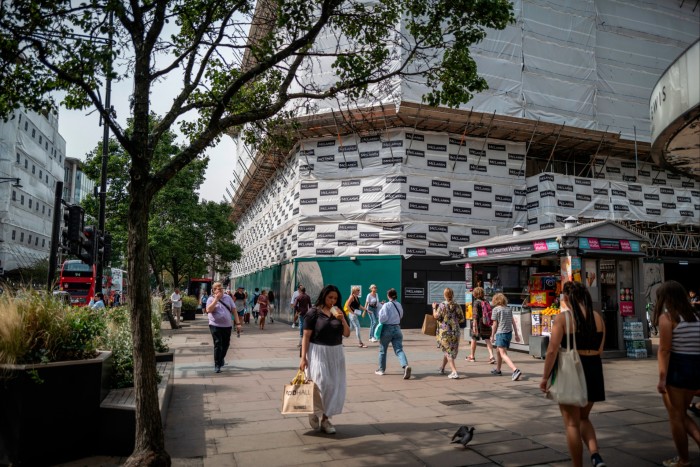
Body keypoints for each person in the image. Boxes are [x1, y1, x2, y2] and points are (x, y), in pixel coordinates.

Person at [539, 281, 607, 467]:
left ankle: (577, 465)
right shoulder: (598, 318)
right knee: (584, 417)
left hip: (573, 371)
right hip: (593, 369)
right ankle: (595, 455)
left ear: (566, 298)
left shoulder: (562, 319)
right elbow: (600, 349)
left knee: (572, 424)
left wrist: (545, 377)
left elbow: (552, 350)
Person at [653, 280, 700, 467]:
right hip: (695, 367)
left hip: (679, 369)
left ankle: (683, 459)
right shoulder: (696, 317)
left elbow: (664, 350)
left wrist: (662, 378)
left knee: (676, 417)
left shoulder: (668, 318)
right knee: (682, 414)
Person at [299, 285, 350, 434]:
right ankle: (313, 411)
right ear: (324, 296)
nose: (332, 301)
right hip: (318, 352)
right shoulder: (313, 313)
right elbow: (306, 336)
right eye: (330, 297)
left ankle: (326, 420)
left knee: (334, 387)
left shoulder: (339, 312)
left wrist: (342, 320)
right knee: (320, 384)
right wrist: (303, 358)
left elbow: (347, 334)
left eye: (335, 298)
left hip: (336, 353)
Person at [375, 288, 411, 379]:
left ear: (388, 296)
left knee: (383, 350)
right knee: (399, 349)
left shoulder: (386, 305)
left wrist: (382, 310)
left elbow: (382, 318)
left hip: (387, 328)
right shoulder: (399, 304)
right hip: (397, 328)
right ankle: (405, 366)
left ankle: (381, 369)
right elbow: (401, 315)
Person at [206, 282, 241, 373]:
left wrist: (238, 323)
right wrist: (216, 299)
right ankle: (217, 365)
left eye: (221, 288)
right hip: (215, 325)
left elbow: (234, 311)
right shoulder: (210, 299)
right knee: (218, 344)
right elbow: (208, 310)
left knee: (226, 344)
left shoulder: (228, 298)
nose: (220, 289)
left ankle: (221, 358)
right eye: (217, 288)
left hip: (227, 326)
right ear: (214, 290)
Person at [433, 287, 465, 379]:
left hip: (445, 332)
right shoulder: (457, 305)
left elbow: (436, 316)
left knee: (448, 352)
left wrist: (434, 308)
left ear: (445, 295)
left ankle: (454, 372)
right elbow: (461, 318)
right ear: (452, 294)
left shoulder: (442, 305)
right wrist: (453, 321)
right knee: (449, 350)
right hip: (455, 331)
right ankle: (442, 368)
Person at [489, 293, 522, 380]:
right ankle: (498, 370)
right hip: (509, 333)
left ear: (495, 300)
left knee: (503, 354)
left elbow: (495, 324)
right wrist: (517, 335)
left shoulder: (496, 309)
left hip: (501, 333)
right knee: (498, 351)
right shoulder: (508, 309)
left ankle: (515, 370)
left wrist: (492, 335)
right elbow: (513, 322)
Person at [466, 287, 495, 364]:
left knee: (474, 339)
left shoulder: (476, 302)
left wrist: (474, 326)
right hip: (486, 323)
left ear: (475, 294)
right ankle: (491, 356)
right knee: (487, 339)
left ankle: (472, 356)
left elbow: (475, 315)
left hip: (478, 324)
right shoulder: (486, 301)